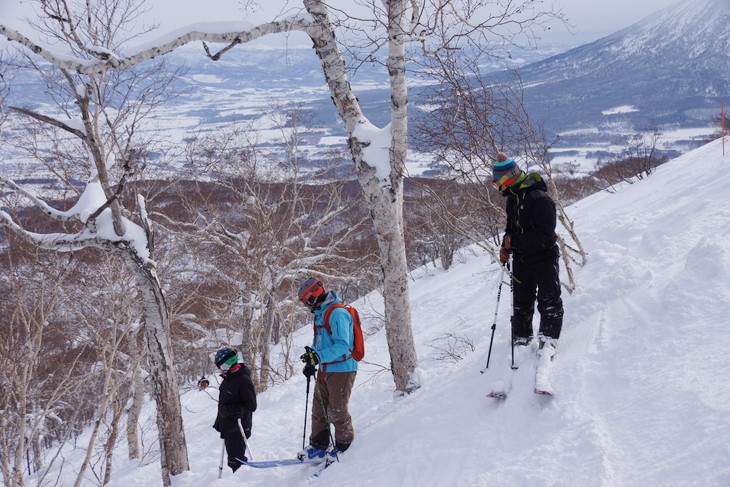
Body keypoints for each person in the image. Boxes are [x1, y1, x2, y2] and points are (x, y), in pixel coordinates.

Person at [492, 152, 564, 356]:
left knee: (549, 301)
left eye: (498, 184)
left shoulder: (539, 199)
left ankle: (548, 341)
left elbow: (545, 234)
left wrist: (513, 242)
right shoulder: (513, 199)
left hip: (544, 258)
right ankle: (521, 339)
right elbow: (511, 227)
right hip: (522, 260)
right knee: (521, 302)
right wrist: (505, 247)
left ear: (508, 179)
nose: (498, 189)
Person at [296, 278, 357, 461]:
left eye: (306, 301)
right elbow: (321, 343)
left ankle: (343, 445)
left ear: (313, 297)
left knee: (336, 410)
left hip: (342, 369)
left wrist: (319, 357)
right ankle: (318, 445)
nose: (306, 306)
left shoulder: (337, 313)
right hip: (325, 368)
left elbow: (342, 346)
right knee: (319, 409)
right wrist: (312, 359)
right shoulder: (321, 313)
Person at [212, 347, 257, 473]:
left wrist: (232, 410)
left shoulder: (242, 380)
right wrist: (219, 422)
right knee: (233, 459)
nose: (219, 369)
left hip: (238, 427)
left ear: (228, 363)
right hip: (228, 425)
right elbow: (225, 402)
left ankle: (243, 479)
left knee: (236, 461)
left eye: (221, 365)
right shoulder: (229, 378)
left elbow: (252, 405)